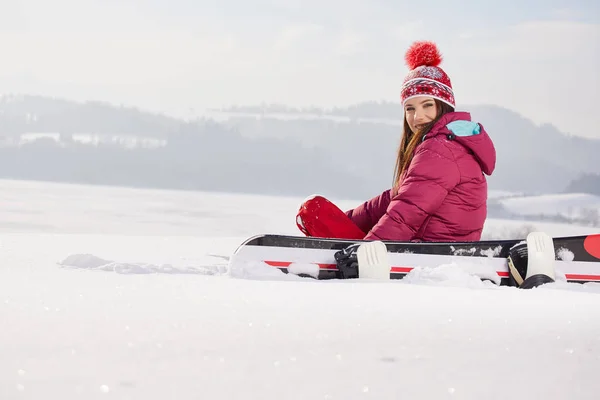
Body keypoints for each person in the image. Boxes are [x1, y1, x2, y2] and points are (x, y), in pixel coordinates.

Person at [296, 40, 496, 242]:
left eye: (427, 105)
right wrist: (343, 221)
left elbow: (407, 213)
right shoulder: (451, 143)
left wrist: (366, 251)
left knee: (314, 210)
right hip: (430, 249)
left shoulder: (440, 148)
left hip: (427, 256)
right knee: (319, 214)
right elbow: (393, 199)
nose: (417, 117)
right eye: (410, 109)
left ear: (443, 106)